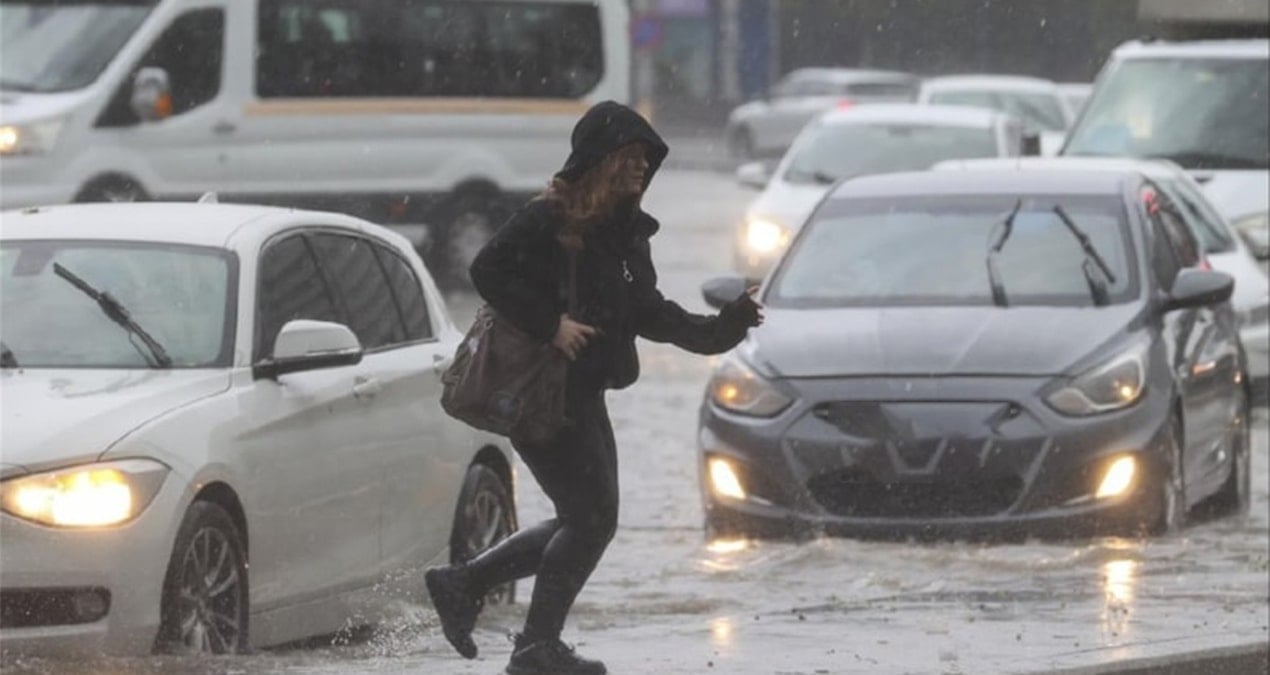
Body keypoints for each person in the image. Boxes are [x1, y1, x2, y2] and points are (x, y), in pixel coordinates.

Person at [425, 100, 763, 675]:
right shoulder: (550, 217)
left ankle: (468, 587)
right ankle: (531, 643)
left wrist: (722, 329)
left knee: (586, 517)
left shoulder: (627, 233)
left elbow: (651, 313)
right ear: (600, 160)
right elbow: (487, 270)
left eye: (647, 160)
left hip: (584, 394)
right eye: (631, 156)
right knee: (591, 518)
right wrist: (549, 324)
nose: (641, 168)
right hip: (544, 392)